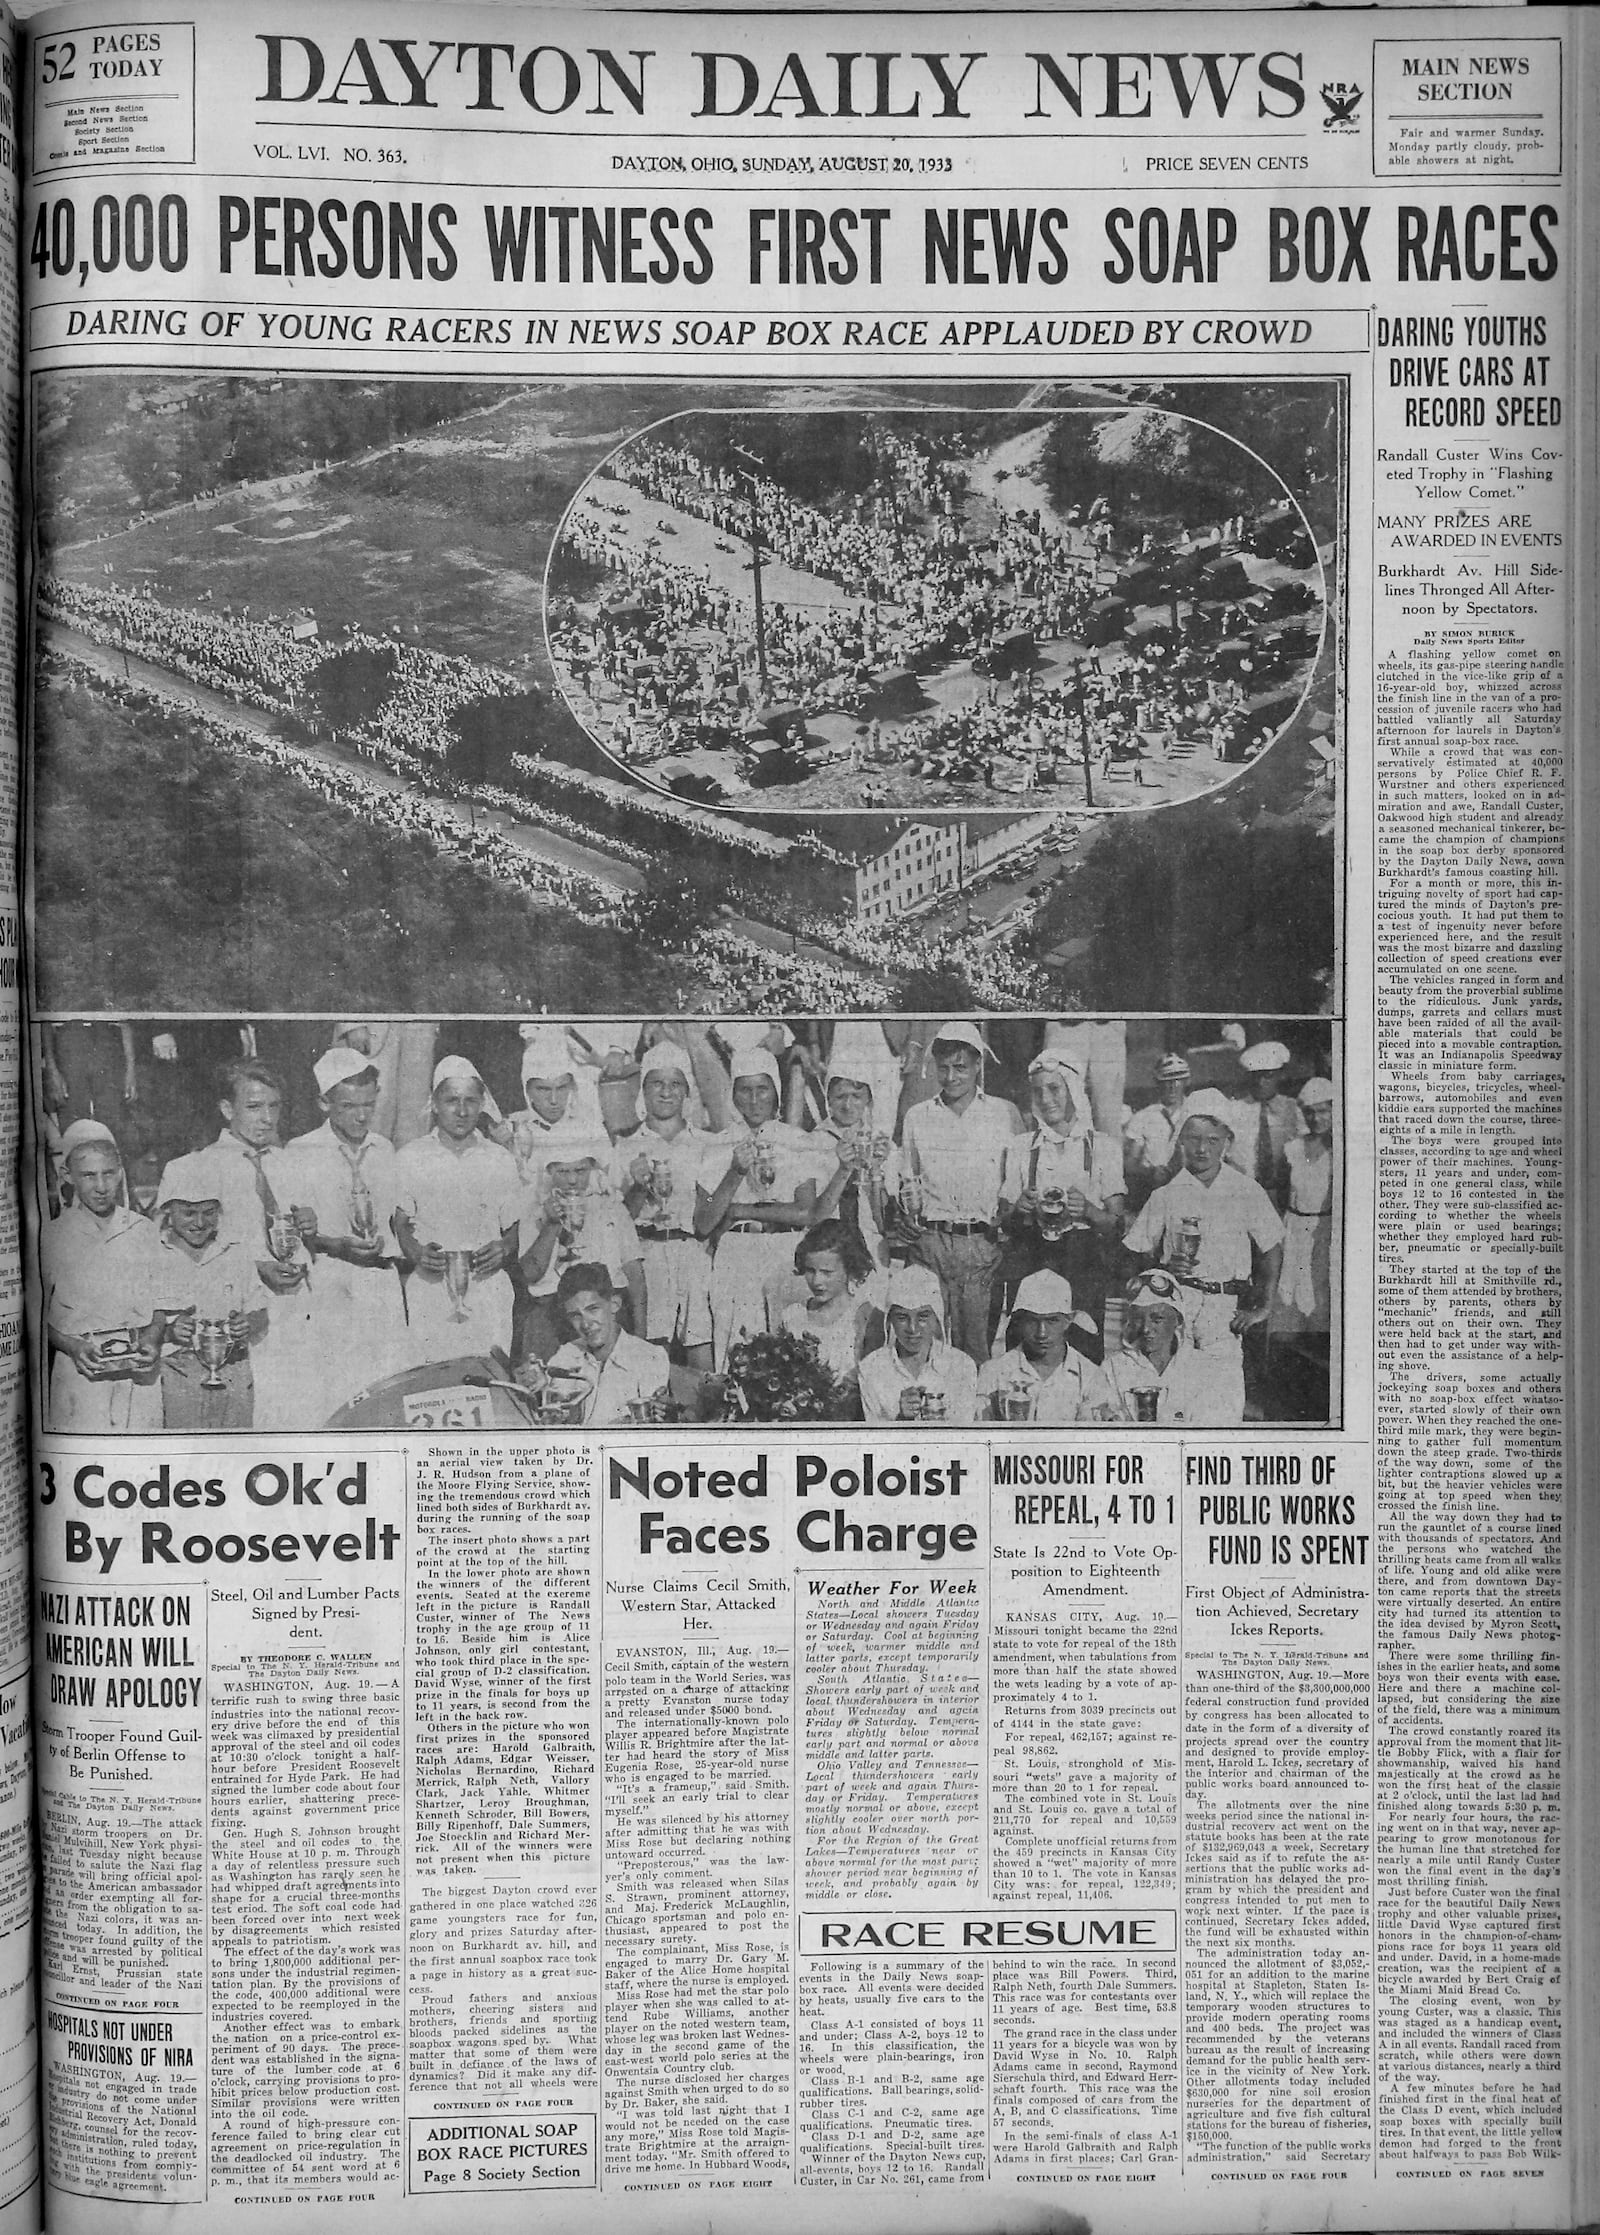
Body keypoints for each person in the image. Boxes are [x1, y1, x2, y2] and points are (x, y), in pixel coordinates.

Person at [180, 1058, 319, 1429]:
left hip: (298, 1310)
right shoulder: (199, 1167)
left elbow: (302, 1236)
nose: (267, 1118)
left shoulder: (290, 1162)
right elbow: (188, 1250)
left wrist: (309, 1227)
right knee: (260, 1416)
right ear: (227, 1110)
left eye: (274, 1107)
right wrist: (258, 1268)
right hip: (244, 1318)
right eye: (254, 1107)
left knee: (305, 1413)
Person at [1122, 1089, 1284, 1402]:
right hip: (1175, 1305)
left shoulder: (1245, 1190)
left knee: (1221, 1403)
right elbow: (1133, 1255)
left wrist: (1263, 1306)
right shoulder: (1165, 1195)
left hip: (1224, 1310)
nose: (1202, 1149)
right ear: (1180, 1139)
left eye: (1212, 1140)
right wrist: (1162, 1270)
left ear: (1227, 1141)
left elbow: (1271, 1247)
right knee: (1173, 1400)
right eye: (1194, 1138)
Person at [278, 1047, 408, 1421]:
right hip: (331, 1285)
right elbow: (292, 1236)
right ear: (324, 1102)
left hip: (381, 1284)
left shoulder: (384, 1150)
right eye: (349, 1106)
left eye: (369, 1103)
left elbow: (394, 1220)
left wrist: (390, 1242)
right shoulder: (300, 1152)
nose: (362, 1115)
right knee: (336, 1395)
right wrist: (334, 1244)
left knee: (385, 1393)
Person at [897, 1023, 1024, 1364]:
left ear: (978, 1064)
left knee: (976, 1353)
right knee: (926, 1350)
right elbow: (905, 1179)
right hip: (931, 1244)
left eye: (960, 1067)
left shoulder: (1003, 1114)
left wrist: (1006, 1223)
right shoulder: (918, 1117)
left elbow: (1018, 1179)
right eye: (943, 1067)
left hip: (982, 1248)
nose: (951, 1077)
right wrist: (906, 1218)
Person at [393, 1056, 523, 1365]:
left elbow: (515, 1229)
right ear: (435, 1103)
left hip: (487, 1286)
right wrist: (416, 1251)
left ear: (482, 1105)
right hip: (431, 1288)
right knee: (433, 1379)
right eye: (452, 1100)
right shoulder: (411, 1157)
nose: (462, 1111)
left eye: (470, 1101)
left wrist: (503, 1248)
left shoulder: (499, 1159)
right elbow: (398, 1223)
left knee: (489, 1375)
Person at [697, 1049, 819, 1366]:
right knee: (737, 1352)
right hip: (735, 1255)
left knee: (790, 1352)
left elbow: (806, 1212)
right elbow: (704, 1222)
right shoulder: (717, 1144)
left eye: (762, 1089)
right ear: (734, 1095)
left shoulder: (797, 1140)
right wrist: (735, 1171)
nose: (754, 1100)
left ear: (776, 1091)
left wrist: (741, 1211)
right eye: (745, 1090)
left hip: (785, 1250)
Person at [1000, 1049, 1125, 1349]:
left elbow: (1116, 1224)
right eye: (1038, 1091)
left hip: (1081, 1262)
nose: (1046, 1099)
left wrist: (1091, 1211)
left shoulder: (1103, 1147)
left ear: (1073, 1089)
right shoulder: (1020, 1147)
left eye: (1054, 1088)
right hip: (1032, 1257)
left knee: (1082, 1343)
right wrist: (1020, 1210)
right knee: (1027, 1347)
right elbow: (1004, 1219)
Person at [43, 1119, 163, 1431]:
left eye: (108, 1173)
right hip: (80, 1379)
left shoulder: (143, 1230)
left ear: (120, 1173)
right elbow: (38, 1318)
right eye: (88, 1175)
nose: (101, 1186)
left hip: (139, 1380)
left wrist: (151, 1340)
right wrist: (72, 1347)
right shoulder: (53, 1236)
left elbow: (161, 1303)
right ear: (67, 1176)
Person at [148, 1151, 271, 1432]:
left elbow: (260, 1312)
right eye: (189, 1213)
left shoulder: (235, 1253)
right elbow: (140, 1326)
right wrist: (169, 1332)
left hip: (234, 1376)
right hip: (178, 1377)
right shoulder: (154, 1256)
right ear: (169, 1211)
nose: (200, 1223)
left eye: (209, 1212)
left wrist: (247, 1324)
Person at [611, 1042, 715, 1369]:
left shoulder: (706, 1145)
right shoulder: (626, 1147)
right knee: (654, 1352)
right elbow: (617, 1221)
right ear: (644, 1090)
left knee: (700, 1348)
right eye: (657, 1083)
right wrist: (638, 1188)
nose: (666, 1093)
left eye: (675, 1084)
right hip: (648, 1255)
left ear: (687, 1091)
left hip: (694, 1254)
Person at [518, 1139, 646, 1361]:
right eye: (563, 1171)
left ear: (591, 1168)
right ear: (549, 1171)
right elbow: (529, 1273)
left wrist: (641, 1334)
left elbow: (634, 1272)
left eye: (580, 1170)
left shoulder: (611, 1207)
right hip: (552, 1316)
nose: (572, 1180)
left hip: (604, 1315)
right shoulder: (535, 1210)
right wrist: (552, 1225)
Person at [1269, 1077, 1335, 1422]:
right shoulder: (1293, 1149)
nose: (1316, 1118)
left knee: (1319, 1308)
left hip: (1323, 1233)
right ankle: (1282, 1393)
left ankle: (1315, 1396)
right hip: (1293, 1229)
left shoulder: (1341, 1152)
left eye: (1323, 1111)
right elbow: (1280, 1192)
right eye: (1310, 1112)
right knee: (1287, 1308)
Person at [1101, 1269, 1243, 1426]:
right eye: (1139, 1319)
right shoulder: (1113, 1367)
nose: (1146, 1329)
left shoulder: (1206, 1370)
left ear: (1178, 1320)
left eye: (1157, 1319)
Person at [537, 1261, 671, 1427]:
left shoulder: (650, 1356)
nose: (586, 1324)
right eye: (575, 1315)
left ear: (614, 1304)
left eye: (593, 1309)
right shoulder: (567, 1354)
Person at [978, 1268, 1112, 1424]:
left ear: (1067, 1322)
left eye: (1052, 1321)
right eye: (1032, 1321)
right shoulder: (993, 1373)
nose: (1041, 1333)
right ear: (1020, 1322)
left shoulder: (1090, 1376)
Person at [858, 1264, 979, 1425]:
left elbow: (965, 1438)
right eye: (902, 1317)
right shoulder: (871, 1369)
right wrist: (902, 1419)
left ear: (937, 1318)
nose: (912, 1329)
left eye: (922, 1317)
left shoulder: (962, 1366)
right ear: (890, 1320)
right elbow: (874, 1440)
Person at [779, 1220, 881, 1409]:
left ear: (849, 1269)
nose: (817, 1281)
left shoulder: (865, 1317)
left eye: (827, 1272)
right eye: (810, 1271)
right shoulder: (794, 1316)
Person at [1225, 1039, 1304, 1207]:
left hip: (1285, 1195)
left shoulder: (1293, 1108)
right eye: (1256, 1076)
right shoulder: (1234, 1110)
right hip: (1244, 1195)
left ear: (1279, 1075)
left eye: (1268, 1076)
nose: (1261, 1083)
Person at [1122, 1053, 1191, 1201]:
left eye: (1177, 1080)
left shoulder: (1197, 1112)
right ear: (1158, 1083)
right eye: (1166, 1080)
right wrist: (1149, 1172)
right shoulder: (1143, 1117)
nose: (1172, 1086)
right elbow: (1130, 1163)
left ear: (1187, 1081)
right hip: (1153, 1189)